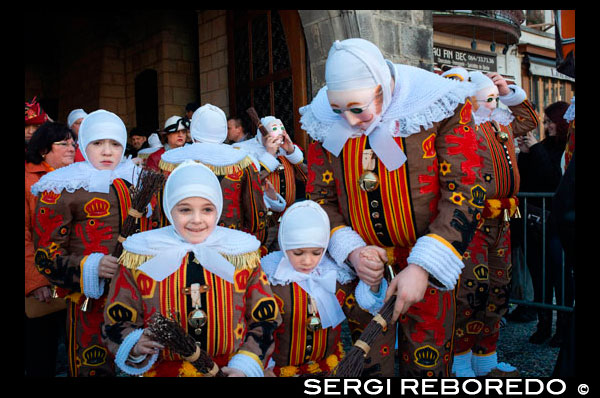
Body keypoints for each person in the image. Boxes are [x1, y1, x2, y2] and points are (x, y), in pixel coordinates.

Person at [300, 38, 484, 377]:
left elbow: (466, 190)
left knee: (426, 369)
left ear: (383, 88)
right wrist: (352, 252)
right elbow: (320, 199)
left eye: (357, 108)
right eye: (338, 109)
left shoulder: (441, 106)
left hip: (426, 270)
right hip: (364, 271)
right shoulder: (323, 123)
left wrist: (423, 266)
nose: (349, 121)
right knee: (369, 368)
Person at [102, 160, 282, 377]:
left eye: (207, 209)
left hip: (229, 368)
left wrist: (245, 363)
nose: (197, 220)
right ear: (170, 209)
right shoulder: (140, 255)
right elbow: (117, 318)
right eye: (185, 209)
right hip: (164, 371)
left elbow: (265, 318)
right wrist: (135, 343)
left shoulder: (241, 254)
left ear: (218, 208)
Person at [31, 109, 143, 377]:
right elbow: (46, 256)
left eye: (115, 144)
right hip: (88, 301)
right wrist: (90, 266)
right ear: (83, 144)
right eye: (97, 143)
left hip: (136, 297)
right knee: (92, 366)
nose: (107, 152)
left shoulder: (135, 181)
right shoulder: (63, 187)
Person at [444, 69, 540, 377]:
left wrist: (508, 91)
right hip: (473, 221)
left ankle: (486, 359)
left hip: (503, 219)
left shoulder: (501, 123)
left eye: (496, 99)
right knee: (471, 291)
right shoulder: (461, 127)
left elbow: (529, 123)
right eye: (489, 99)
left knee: (499, 289)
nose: (494, 104)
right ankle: (459, 362)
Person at [261, 200, 388, 377]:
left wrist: (373, 286)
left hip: (328, 367)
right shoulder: (271, 280)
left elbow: (360, 309)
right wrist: (263, 365)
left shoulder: (334, 277)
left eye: (316, 252)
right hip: (279, 370)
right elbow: (259, 327)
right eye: (298, 253)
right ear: (284, 245)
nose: (307, 261)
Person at [159, 104, 280, 251]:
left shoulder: (170, 163)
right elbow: (255, 214)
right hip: (230, 242)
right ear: (223, 130)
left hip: (184, 240)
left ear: (193, 129)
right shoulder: (242, 162)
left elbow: (162, 209)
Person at [516, 101, 571, 347]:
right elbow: (526, 181)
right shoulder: (544, 146)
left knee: (560, 278)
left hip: (557, 224)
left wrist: (535, 151)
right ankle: (543, 324)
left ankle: (563, 329)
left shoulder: (565, 149)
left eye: (550, 121)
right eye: (545, 122)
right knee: (538, 274)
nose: (547, 126)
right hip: (535, 222)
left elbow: (554, 179)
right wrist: (526, 156)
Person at [25, 121, 76, 376]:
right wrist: (35, 281)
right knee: (41, 356)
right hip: (43, 286)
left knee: (79, 354)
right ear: (44, 150)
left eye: (73, 143)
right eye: (63, 143)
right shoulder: (27, 179)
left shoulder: (82, 177)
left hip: (77, 283)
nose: (71, 148)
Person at [233, 115, 308, 251]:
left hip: (287, 223)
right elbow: (249, 181)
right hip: (261, 226)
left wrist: (291, 152)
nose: (279, 132)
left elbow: (308, 178)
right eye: (274, 129)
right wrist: (269, 155)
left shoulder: (287, 149)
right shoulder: (243, 151)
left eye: (281, 128)